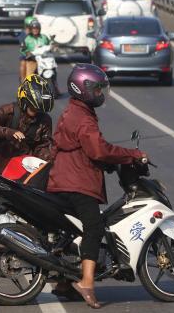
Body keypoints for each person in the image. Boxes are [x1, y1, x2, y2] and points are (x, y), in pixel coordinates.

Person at [47, 63, 146, 309]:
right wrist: (130, 154)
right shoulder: (83, 118)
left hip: (63, 178)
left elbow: (88, 150)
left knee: (70, 230)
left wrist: (109, 163)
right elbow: (98, 149)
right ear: (84, 88)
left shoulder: (75, 111)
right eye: (98, 89)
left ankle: (63, 282)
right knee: (94, 227)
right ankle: (87, 282)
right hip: (77, 182)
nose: (101, 93)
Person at [0, 74, 54, 173]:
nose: (36, 112)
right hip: (0, 166)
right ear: (24, 101)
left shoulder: (45, 120)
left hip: (26, 169)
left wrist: (47, 161)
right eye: (33, 108)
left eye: (39, 109)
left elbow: (44, 146)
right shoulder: (9, 111)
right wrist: (8, 132)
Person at [18, 16, 35, 81]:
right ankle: (23, 81)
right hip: (26, 54)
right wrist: (27, 52)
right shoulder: (23, 34)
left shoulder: (37, 33)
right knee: (23, 63)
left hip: (37, 54)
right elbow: (22, 44)